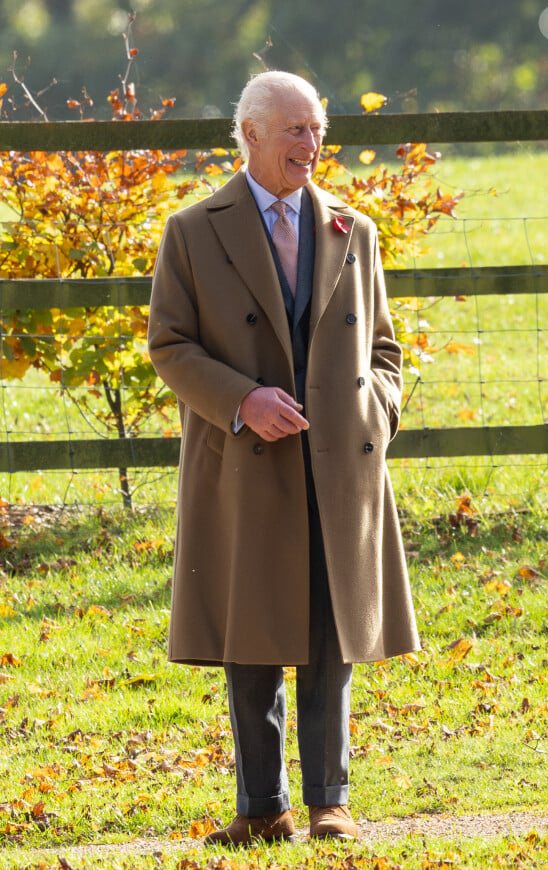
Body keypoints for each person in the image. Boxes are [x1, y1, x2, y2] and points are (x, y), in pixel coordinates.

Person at [147, 70, 419, 845]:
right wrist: (242, 401)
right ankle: (262, 807)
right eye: (297, 129)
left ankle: (331, 799)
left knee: (332, 632)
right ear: (252, 134)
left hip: (342, 464)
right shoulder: (193, 229)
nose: (313, 145)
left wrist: (379, 409)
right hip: (246, 462)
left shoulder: (352, 229)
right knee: (253, 632)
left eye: (318, 130)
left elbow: (385, 348)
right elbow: (169, 345)